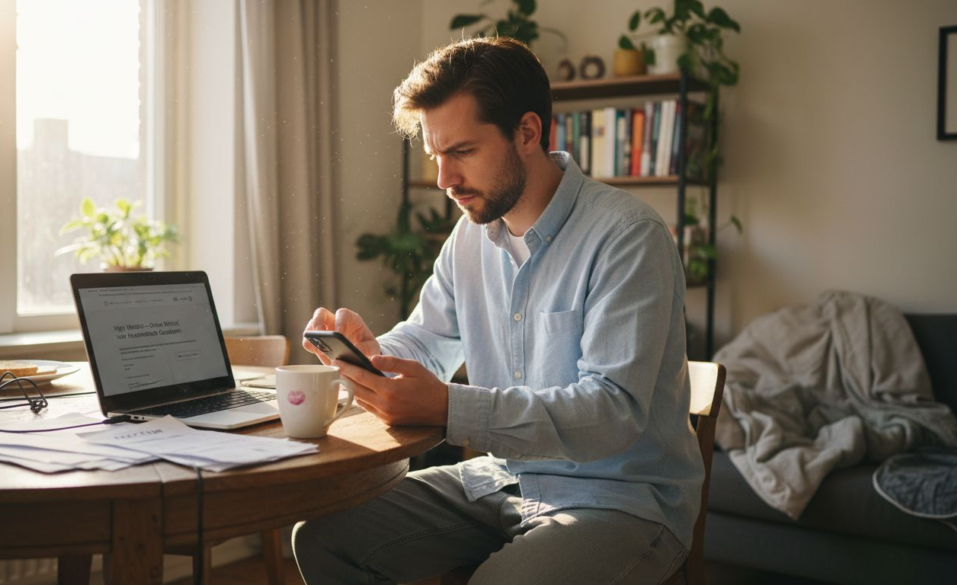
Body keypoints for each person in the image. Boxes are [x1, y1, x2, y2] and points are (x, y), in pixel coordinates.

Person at [292, 37, 703, 584]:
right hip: (501, 480)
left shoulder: (628, 236)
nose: (444, 180)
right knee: (324, 536)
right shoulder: (470, 238)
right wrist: (371, 355)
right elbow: (427, 339)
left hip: (619, 498)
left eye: (461, 152)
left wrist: (448, 407)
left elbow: (612, 412)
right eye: (436, 156)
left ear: (527, 132)